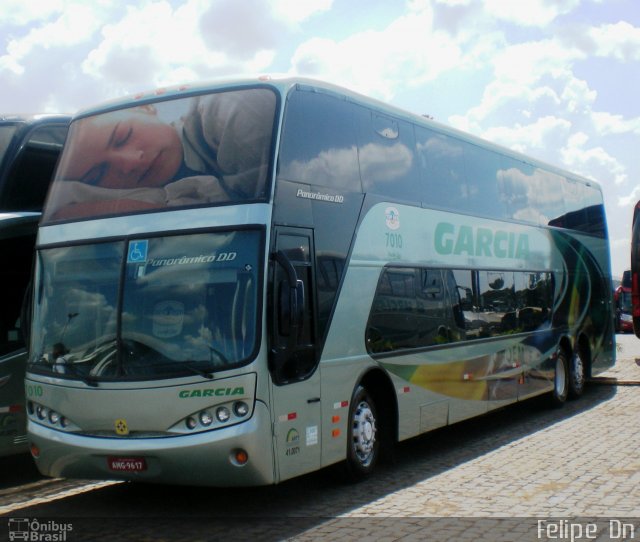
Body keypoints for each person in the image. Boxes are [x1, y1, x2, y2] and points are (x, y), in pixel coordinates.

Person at [45, 88, 276, 221]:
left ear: (146, 108)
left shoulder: (230, 109)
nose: (130, 163)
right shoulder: (162, 193)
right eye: (99, 174)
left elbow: (261, 220)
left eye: (123, 136)